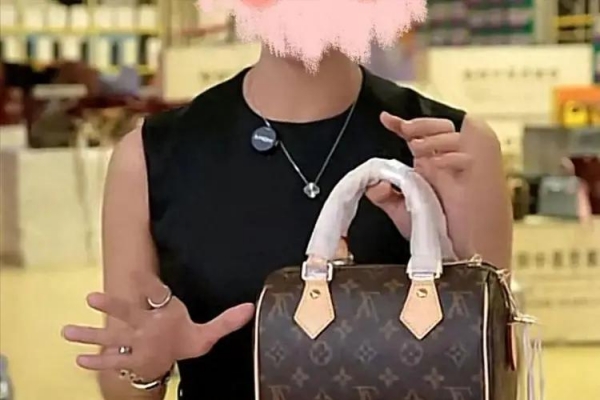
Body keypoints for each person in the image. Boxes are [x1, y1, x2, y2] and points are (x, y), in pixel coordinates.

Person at [62, 1, 512, 399]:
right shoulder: (150, 157)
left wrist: (454, 249)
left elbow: (492, 366)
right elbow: (122, 385)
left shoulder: (453, 148)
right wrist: (148, 366)